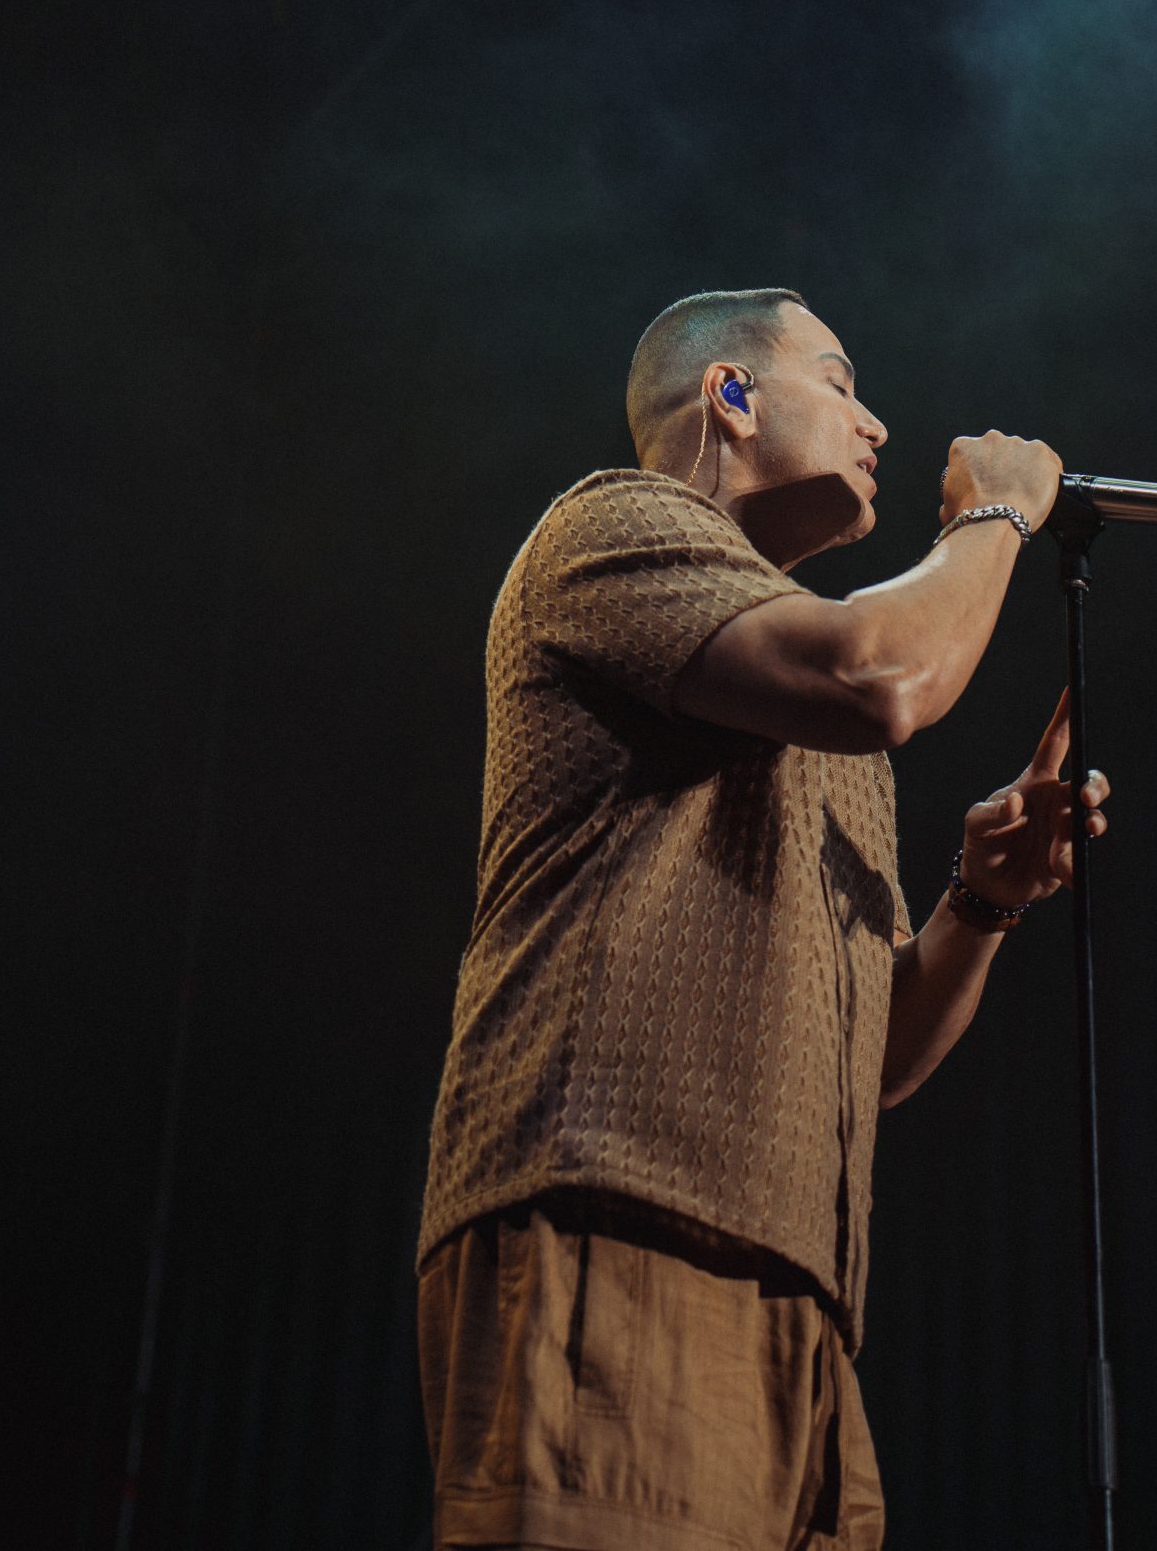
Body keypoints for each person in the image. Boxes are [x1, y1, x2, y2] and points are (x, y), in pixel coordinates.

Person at [417, 286, 1110, 1551]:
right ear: (731, 396)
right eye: (840, 382)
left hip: (805, 1302)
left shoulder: (828, 724)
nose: (878, 424)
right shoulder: (614, 526)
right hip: (616, 1219)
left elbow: (874, 1052)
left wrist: (985, 899)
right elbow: (881, 675)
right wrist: (1000, 513)